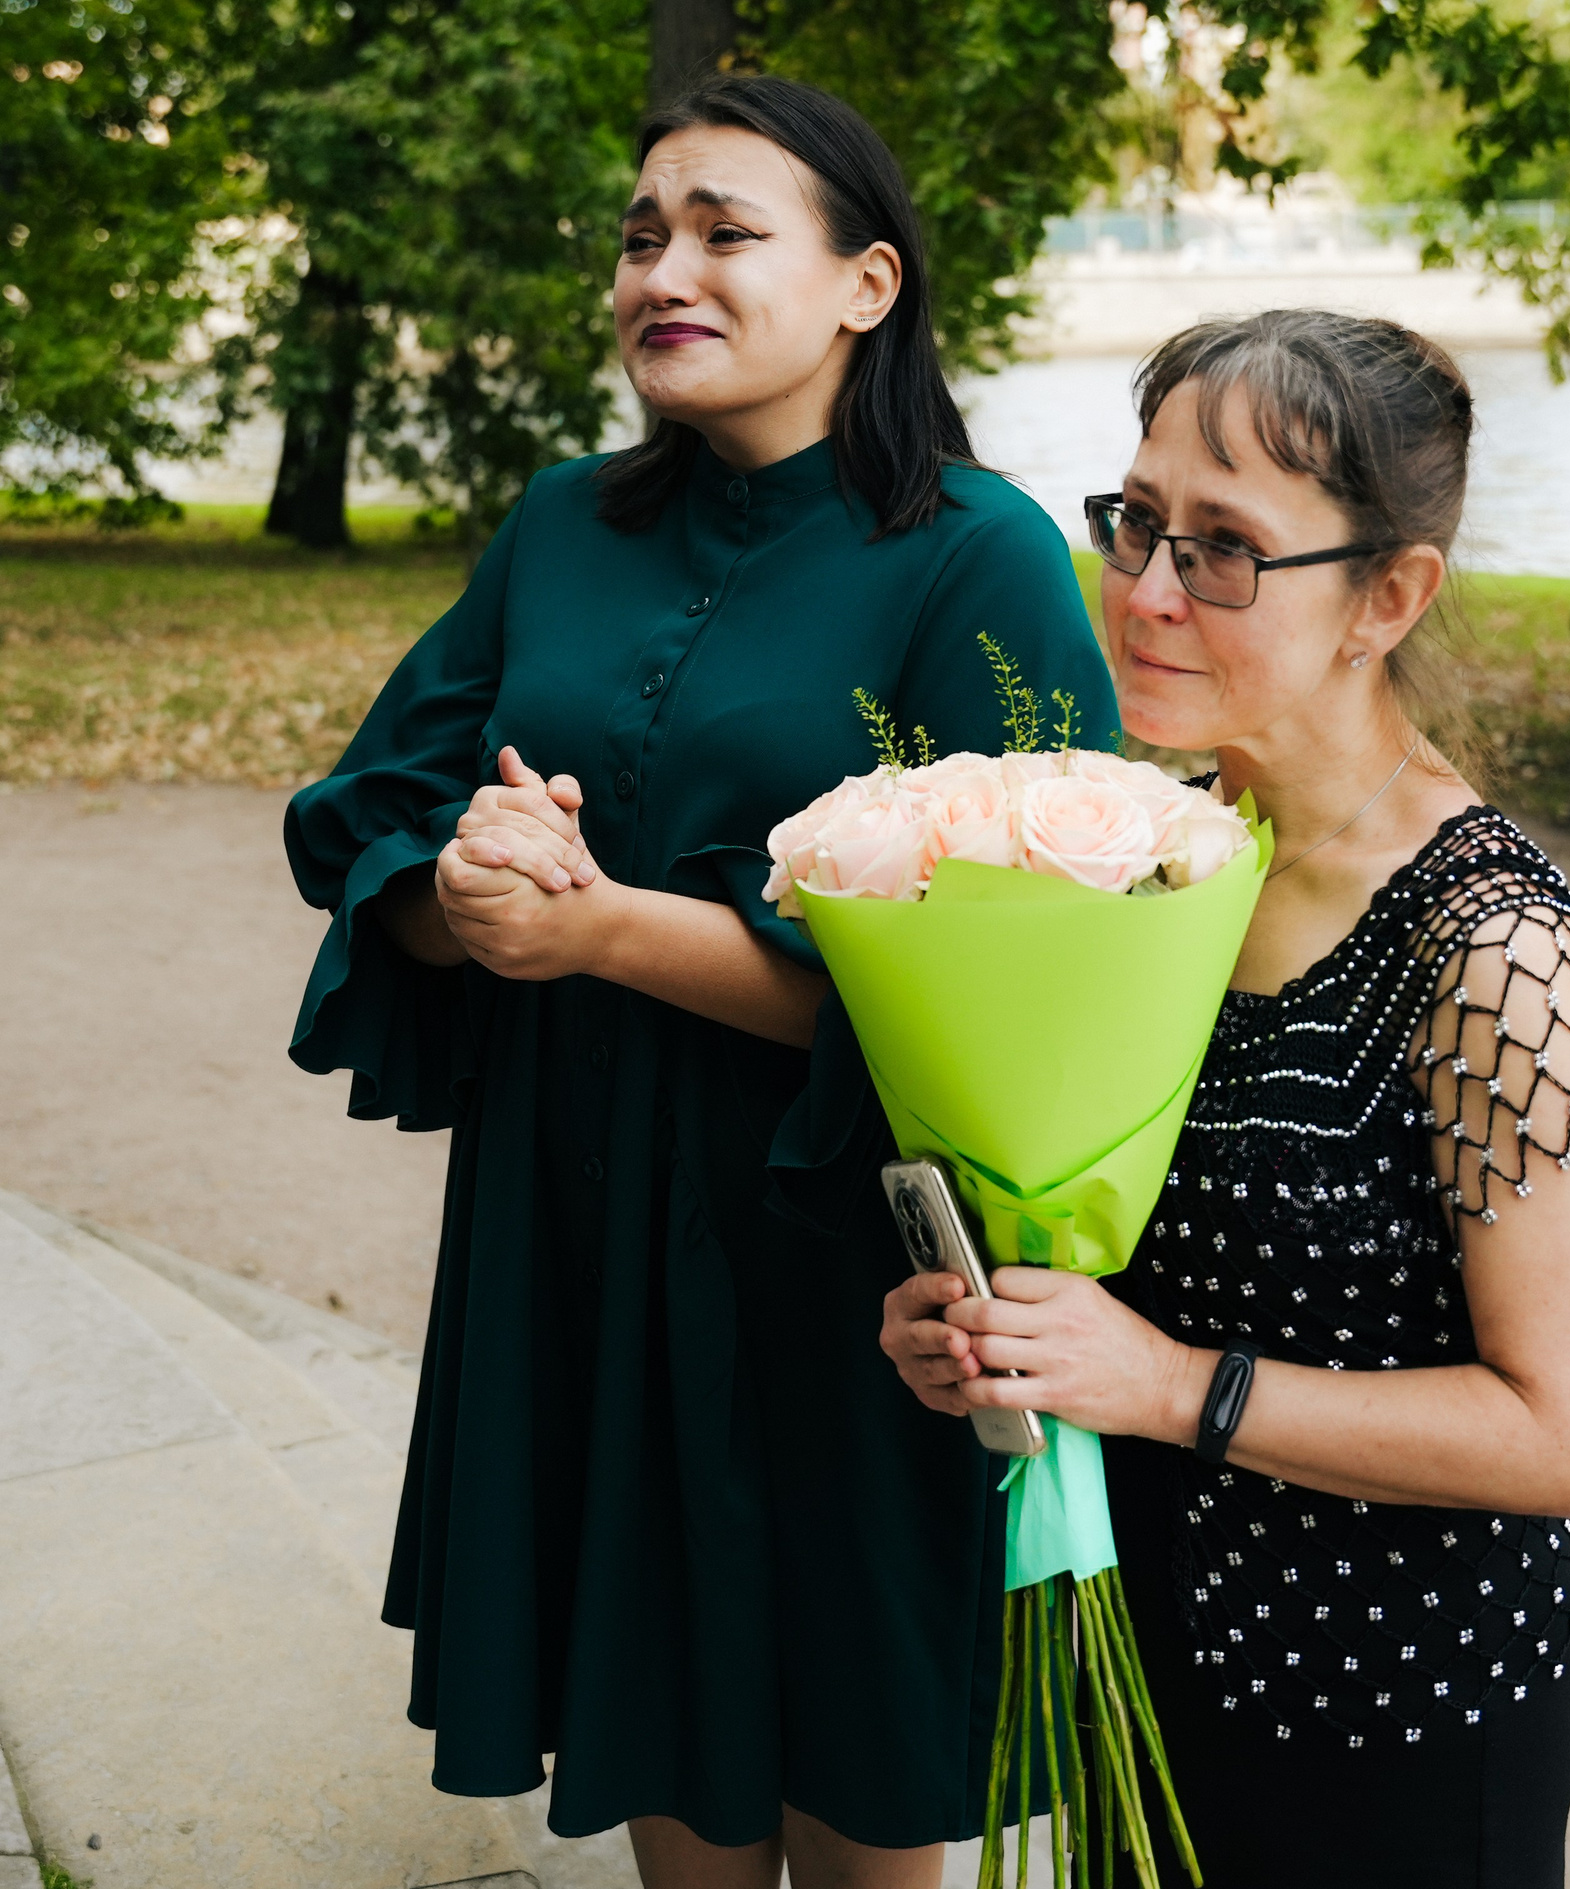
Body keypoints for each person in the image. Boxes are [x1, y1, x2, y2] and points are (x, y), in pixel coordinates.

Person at [283, 75, 1112, 1889]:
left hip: (841, 1262)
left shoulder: (984, 559)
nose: (668, 265)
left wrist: (602, 929)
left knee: (860, 1758)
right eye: (645, 232)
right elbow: (379, 814)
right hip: (572, 1229)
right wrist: (464, 885)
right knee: (656, 1718)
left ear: (867, 286)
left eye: (729, 231)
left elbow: (1015, 993)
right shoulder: (563, 521)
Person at [880, 310, 1570, 1889]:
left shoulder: (1494, 950)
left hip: (1396, 1730)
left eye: (1226, 548)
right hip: (1149, 1677)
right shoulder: (1154, 854)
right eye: (1139, 523)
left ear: (1391, 593)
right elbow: (1117, 1259)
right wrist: (997, 1331)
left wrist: (1168, 1384)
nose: (1149, 590)